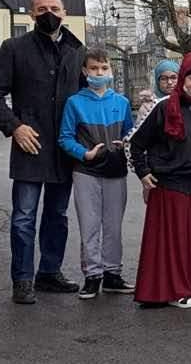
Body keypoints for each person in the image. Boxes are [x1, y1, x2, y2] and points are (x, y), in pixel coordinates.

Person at [0, 0, 85, 304]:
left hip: (65, 148)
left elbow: (85, 98)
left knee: (58, 215)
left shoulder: (77, 51)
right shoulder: (14, 48)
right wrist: (15, 127)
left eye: (54, 8)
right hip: (30, 145)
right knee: (24, 217)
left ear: (64, 12)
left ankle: (49, 272)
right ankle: (23, 279)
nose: (48, 13)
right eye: (42, 9)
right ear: (31, 15)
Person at [128, 53, 191, 309]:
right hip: (170, 183)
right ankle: (175, 290)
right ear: (183, 80)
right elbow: (135, 143)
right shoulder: (165, 107)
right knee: (174, 242)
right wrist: (143, 173)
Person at [57, 47, 136, 299]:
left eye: (104, 68)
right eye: (93, 68)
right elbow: (65, 137)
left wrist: (125, 143)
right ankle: (92, 275)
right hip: (86, 171)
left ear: (110, 71)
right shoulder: (74, 102)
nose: (99, 73)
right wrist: (84, 154)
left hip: (115, 171)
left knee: (113, 226)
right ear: (85, 71)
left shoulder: (122, 103)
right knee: (90, 225)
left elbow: (130, 134)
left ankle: (113, 273)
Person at [133, 59, 179, 131]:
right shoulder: (148, 107)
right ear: (157, 81)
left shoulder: (186, 103)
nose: (169, 82)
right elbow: (141, 136)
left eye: (173, 78)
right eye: (164, 79)